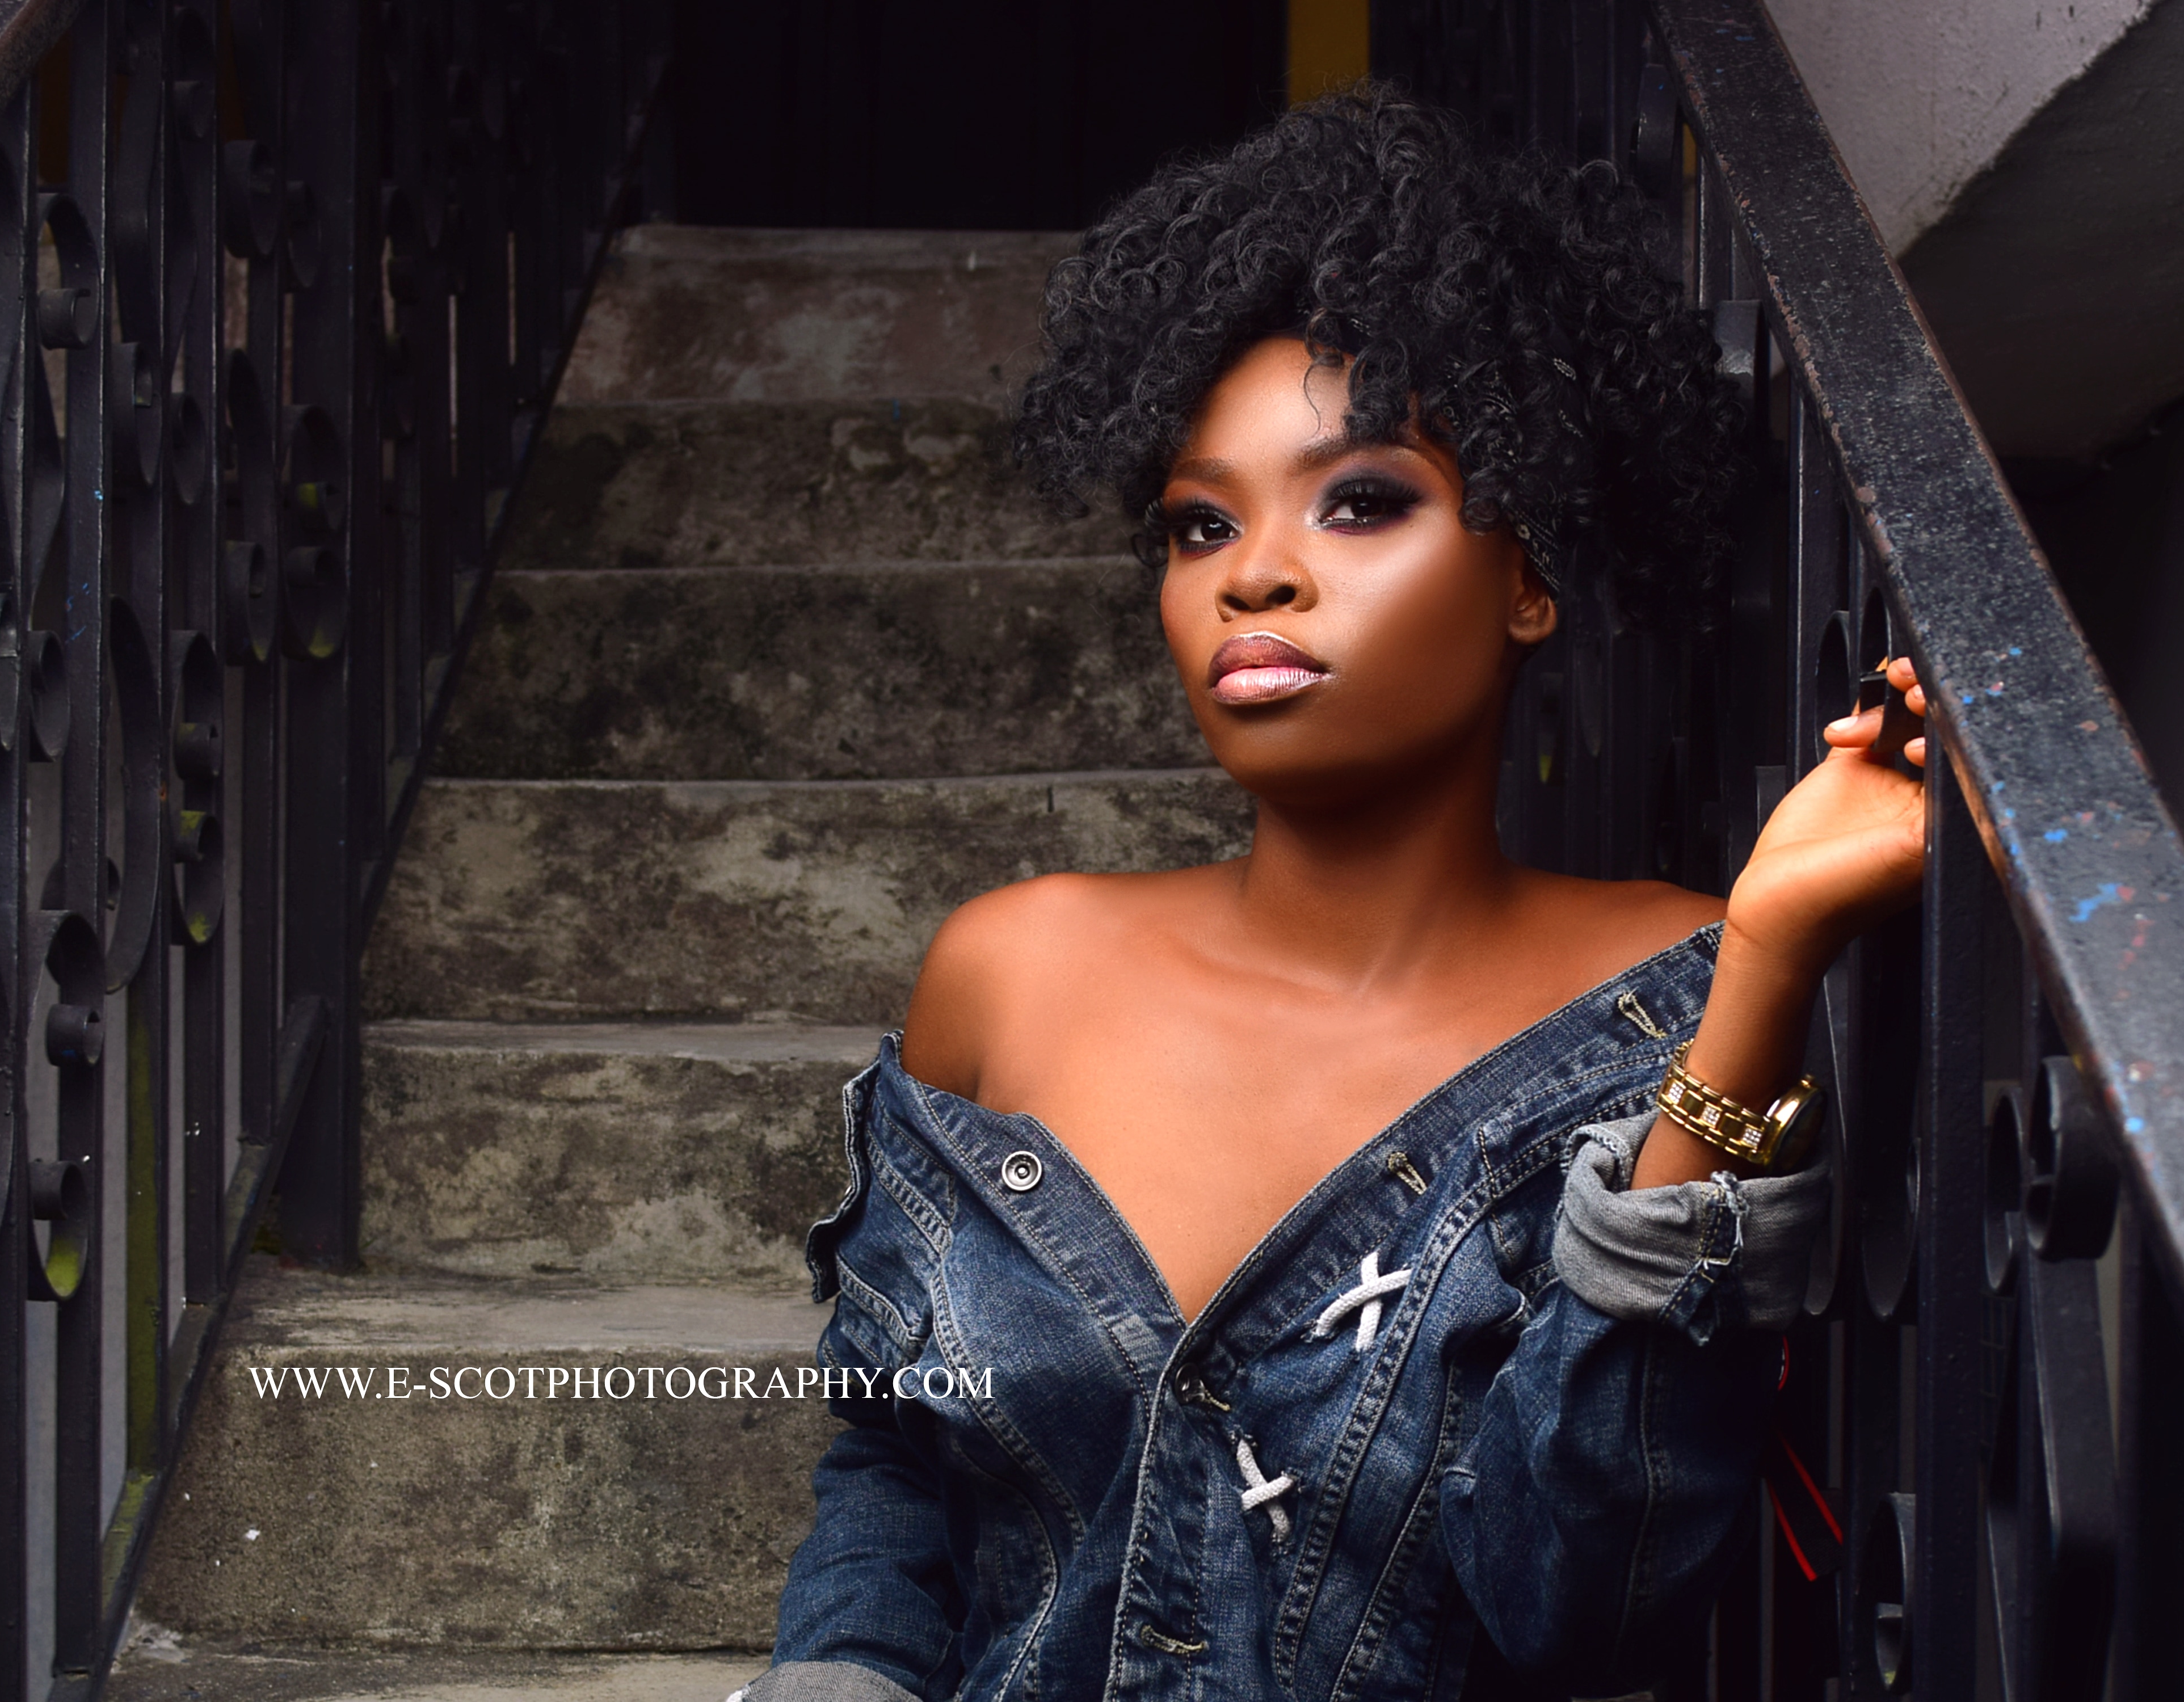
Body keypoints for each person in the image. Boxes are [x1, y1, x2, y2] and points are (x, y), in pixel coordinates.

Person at [741, 87, 1928, 1702]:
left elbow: (1594, 1601)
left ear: (1528, 575)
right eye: (1200, 523)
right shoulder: (1010, 970)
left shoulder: (1681, 995)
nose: (1255, 573)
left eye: (1360, 499)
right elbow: (896, 1465)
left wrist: (1773, 954)